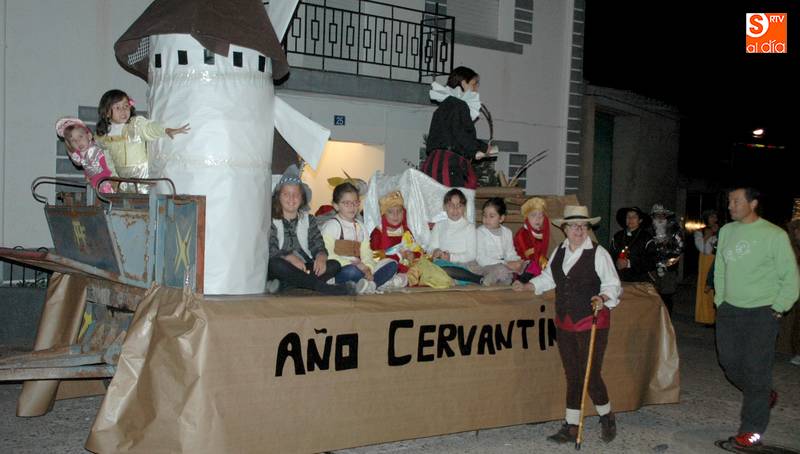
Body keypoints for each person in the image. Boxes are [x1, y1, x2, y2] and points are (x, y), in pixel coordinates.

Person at [513, 205, 622, 444]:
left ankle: (607, 416)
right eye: (574, 225)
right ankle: (572, 425)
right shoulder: (559, 252)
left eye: (583, 226)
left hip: (591, 320)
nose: (579, 230)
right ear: (564, 228)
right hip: (564, 321)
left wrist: (602, 297)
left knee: (589, 374)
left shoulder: (598, 253)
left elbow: (613, 284)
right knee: (572, 374)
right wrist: (528, 286)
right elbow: (549, 278)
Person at [714, 187, 799, 449]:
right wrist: (720, 301)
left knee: (756, 370)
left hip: (762, 313)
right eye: (729, 201)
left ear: (753, 203)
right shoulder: (727, 231)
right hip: (730, 310)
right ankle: (763, 394)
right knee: (729, 363)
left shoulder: (774, 234)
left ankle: (750, 433)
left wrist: (778, 308)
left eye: (736, 201)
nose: (730, 206)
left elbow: (790, 276)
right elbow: (720, 268)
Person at [267, 165, 354, 296]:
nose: (291, 199)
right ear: (279, 197)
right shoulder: (270, 220)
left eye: (296, 194)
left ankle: (288, 285)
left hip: (304, 267)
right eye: (286, 194)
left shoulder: (309, 220)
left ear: (302, 198)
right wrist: (289, 257)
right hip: (283, 266)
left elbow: (318, 244)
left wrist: (321, 256)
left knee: (334, 265)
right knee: (275, 264)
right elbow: (271, 249)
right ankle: (321, 287)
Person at [95, 89, 189, 193]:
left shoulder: (134, 125)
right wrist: (113, 176)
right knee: (128, 203)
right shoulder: (104, 136)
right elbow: (107, 159)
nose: (123, 110)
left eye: (126, 106)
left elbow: (149, 128)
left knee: (144, 200)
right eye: (118, 107)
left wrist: (165, 130)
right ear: (107, 112)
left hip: (142, 175)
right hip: (122, 178)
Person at [421, 66, 497, 189]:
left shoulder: (444, 107)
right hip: (449, 165)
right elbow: (461, 134)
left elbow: (449, 136)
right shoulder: (459, 105)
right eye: (474, 84)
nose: (476, 89)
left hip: (433, 163)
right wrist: (481, 148)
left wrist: (477, 149)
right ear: (463, 84)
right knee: (455, 202)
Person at [322, 182, 399, 292]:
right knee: (352, 272)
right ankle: (368, 283)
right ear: (336, 205)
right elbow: (328, 255)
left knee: (392, 264)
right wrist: (357, 265)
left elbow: (366, 253)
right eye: (347, 203)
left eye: (355, 203)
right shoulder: (331, 226)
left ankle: (369, 285)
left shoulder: (361, 227)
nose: (352, 207)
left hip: (361, 268)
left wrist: (368, 268)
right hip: (342, 269)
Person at [428, 188, 483, 284]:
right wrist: (436, 251)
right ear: (445, 207)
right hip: (442, 263)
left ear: (464, 208)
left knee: (442, 270)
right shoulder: (439, 225)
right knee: (432, 266)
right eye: (451, 205)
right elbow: (431, 247)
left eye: (459, 206)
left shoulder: (469, 227)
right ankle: (455, 279)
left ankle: (475, 278)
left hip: (463, 264)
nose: (455, 209)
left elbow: (471, 255)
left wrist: (451, 257)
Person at [55, 117, 116, 194]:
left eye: (80, 136)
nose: (78, 142)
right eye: (73, 140)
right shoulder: (82, 156)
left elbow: (108, 168)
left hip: (106, 180)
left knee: (107, 192)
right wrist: (87, 176)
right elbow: (87, 167)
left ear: (89, 136)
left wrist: (105, 180)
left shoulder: (95, 151)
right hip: (95, 184)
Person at [369, 191, 419, 278]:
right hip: (386, 267)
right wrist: (399, 256)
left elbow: (417, 250)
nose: (395, 215)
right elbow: (374, 257)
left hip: (406, 267)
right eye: (390, 212)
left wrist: (413, 255)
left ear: (403, 213)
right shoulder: (377, 232)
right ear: (383, 214)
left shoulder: (406, 231)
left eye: (399, 211)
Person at [476, 198, 523, 285]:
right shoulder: (480, 232)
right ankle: (486, 281)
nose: (487, 219)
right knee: (501, 270)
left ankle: (505, 280)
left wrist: (516, 261)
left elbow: (510, 253)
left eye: (491, 216)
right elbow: (481, 259)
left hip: (504, 265)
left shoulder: (507, 232)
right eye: (484, 215)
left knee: (525, 265)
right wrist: (505, 263)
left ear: (501, 218)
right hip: (485, 266)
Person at [649, 204, 684, 314]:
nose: (660, 217)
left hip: (669, 267)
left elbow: (680, 247)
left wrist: (668, 245)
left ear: (666, 216)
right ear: (653, 217)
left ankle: (667, 318)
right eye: (657, 215)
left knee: (667, 294)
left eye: (662, 215)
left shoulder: (674, 229)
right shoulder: (649, 230)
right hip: (652, 267)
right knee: (652, 293)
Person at [610, 206, 655, 283]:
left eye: (634, 217)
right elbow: (611, 255)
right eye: (628, 216)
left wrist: (629, 263)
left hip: (640, 281)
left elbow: (652, 261)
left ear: (640, 220)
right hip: (619, 280)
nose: (630, 219)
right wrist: (616, 262)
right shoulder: (617, 236)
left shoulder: (647, 238)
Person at [513, 197, 551, 282]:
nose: (538, 219)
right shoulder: (522, 233)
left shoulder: (540, 233)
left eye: (541, 215)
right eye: (533, 215)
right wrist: (547, 265)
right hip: (523, 267)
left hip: (537, 263)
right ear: (527, 217)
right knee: (535, 266)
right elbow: (531, 256)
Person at [694, 210, 719, 325]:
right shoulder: (700, 231)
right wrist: (708, 235)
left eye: (715, 216)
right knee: (705, 286)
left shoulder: (721, 230)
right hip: (706, 260)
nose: (713, 219)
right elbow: (701, 248)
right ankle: (705, 317)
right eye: (711, 217)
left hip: (717, 259)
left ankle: (716, 317)